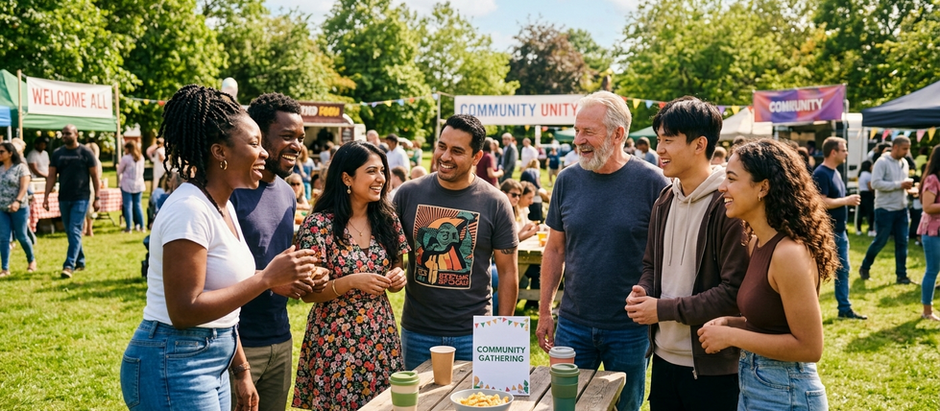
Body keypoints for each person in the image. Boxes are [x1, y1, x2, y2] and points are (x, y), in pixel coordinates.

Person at [119, 85, 321, 411]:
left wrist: (240, 370)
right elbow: (184, 311)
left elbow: (225, 301)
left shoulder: (221, 207)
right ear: (220, 152)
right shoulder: (189, 209)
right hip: (174, 360)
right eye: (255, 144)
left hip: (214, 354)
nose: (265, 153)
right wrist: (266, 279)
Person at [536, 91, 670, 411]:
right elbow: (555, 250)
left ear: (618, 134)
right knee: (566, 406)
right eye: (577, 130)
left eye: (588, 132)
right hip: (573, 323)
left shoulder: (653, 183)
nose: (577, 140)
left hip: (630, 329)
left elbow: (665, 256)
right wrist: (544, 311)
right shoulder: (567, 180)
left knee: (626, 407)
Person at [625, 97, 748, 410]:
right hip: (664, 360)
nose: (660, 149)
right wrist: (644, 292)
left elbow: (732, 293)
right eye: (658, 140)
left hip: (713, 367)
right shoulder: (665, 199)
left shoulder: (729, 205)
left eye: (669, 140)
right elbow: (651, 264)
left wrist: (661, 309)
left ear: (699, 145)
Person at [697, 139, 834, 410]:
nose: (722, 187)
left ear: (763, 187)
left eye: (732, 179)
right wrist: (731, 323)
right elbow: (772, 323)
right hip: (757, 387)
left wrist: (731, 337)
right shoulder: (757, 242)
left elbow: (810, 347)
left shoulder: (789, 254)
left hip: (787, 393)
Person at [225, 92, 326, 411]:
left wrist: (308, 274)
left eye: (300, 137)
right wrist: (270, 280)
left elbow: (279, 261)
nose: (296, 145)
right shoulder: (231, 194)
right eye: (286, 136)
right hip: (238, 344)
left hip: (281, 339)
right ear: (257, 135)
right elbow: (215, 276)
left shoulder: (286, 193)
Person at [394, 114, 519, 370]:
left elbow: (507, 272)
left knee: (474, 406)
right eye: (442, 146)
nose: (445, 156)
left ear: (477, 157)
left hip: (474, 334)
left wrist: (502, 332)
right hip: (418, 332)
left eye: (457, 151)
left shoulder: (495, 202)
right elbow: (393, 256)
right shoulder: (407, 194)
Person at [292, 141, 409, 410]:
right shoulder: (319, 225)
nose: (380, 178)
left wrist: (396, 278)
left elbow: (396, 267)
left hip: (381, 337)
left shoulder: (387, 220)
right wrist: (351, 282)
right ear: (347, 178)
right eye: (371, 171)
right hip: (336, 341)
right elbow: (308, 294)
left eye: (382, 171)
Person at [813, 137, 867, 320]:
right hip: (829, 232)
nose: (847, 153)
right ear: (833, 152)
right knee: (828, 271)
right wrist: (847, 200)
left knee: (843, 269)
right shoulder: (821, 173)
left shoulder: (834, 172)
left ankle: (844, 308)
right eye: (844, 149)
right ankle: (840, 308)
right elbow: (820, 201)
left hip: (840, 230)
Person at [43, 125, 100, 279]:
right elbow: (52, 176)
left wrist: (97, 198)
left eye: (68, 133)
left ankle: (69, 265)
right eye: (63, 134)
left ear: (76, 134)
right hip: (64, 197)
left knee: (75, 229)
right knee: (70, 231)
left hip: (81, 197)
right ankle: (80, 260)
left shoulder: (86, 152)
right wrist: (46, 196)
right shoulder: (58, 154)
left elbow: (95, 176)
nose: (64, 136)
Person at [859, 137, 914, 284]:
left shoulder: (905, 163)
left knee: (903, 242)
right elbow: (876, 183)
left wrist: (910, 189)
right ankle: (865, 267)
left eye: (908, 148)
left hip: (902, 208)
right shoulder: (882, 162)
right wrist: (900, 184)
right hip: (885, 209)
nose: (907, 152)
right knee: (880, 241)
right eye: (904, 148)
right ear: (895, 147)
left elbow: (900, 186)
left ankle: (901, 275)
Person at [0, 142, 36, 277]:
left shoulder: (21, 168)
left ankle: (31, 260)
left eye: (1, 151)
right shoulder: (0, 169)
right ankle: (5, 268)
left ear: (10, 153)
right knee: (3, 238)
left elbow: (24, 187)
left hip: (19, 208)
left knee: (21, 236)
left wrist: (17, 201)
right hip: (2, 208)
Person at [917, 145, 940, 321]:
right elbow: (927, 207)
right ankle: (927, 311)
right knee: (932, 269)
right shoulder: (932, 179)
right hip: (932, 231)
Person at [118, 141, 146, 233]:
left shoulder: (126, 158)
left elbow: (119, 171)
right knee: (138, 205)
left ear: (128, 148)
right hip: (139, 183)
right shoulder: (141, 157)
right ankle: (142, 226)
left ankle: (129, 227)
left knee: (128, 206)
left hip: (127, 184)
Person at [83, 140, 103, 237]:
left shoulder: (90, 161)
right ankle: (88, 229)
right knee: (90, 209)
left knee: (86, 208)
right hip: (94, 186)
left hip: (88, 186)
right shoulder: (98, 161)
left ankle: (87, 229)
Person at [857, 160, 875, 236]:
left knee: (860, 213)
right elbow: (870, 187)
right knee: (870, 212)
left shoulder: (861, 174)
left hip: (861, 193)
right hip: (868, 194)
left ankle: (859, 230)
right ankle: (871, 230)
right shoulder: (868, 175)